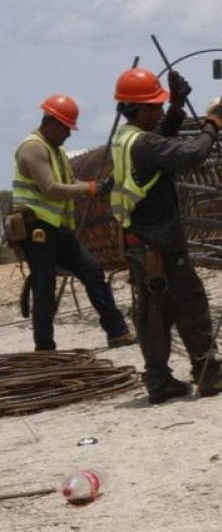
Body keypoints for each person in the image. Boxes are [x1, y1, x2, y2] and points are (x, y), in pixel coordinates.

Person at [109, 67, 222, 405]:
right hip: (160, 242)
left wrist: (175, 107)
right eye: (155, 106)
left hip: (140, 241)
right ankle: (210, 373)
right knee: (190, 303)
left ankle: (159, 380)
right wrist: (211, 126)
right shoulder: (143, 143)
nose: (159, 112)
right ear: (139, 109)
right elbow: (188, 155)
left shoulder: (127, 138)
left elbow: (161, 139)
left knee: (153, 310)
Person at [11, 95, 135, 351]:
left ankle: (117, 332)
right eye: (67, 127)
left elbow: (70, 181)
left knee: (91, 269)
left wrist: (98, 187)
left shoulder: (55, 150)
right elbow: (50, 188)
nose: (69, 134)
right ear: (53, 122)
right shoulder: (33, 148)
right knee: (45, 285)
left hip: (54, 228)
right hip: (35, 228)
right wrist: (88, 189)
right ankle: (44, 348)